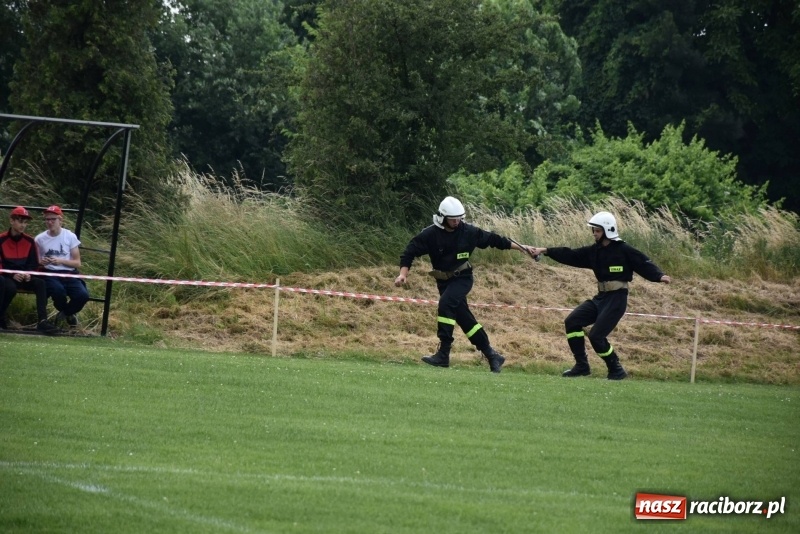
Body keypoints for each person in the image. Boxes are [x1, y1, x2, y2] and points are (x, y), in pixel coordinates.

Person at [394, 196, 535, 373]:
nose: (457, 221)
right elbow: (409, 252)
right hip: (443, 282)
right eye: (453, 219)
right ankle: (492, 355)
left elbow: (496, 240)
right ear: (442, 217)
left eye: (459, 217)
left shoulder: (468, 232)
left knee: (445, 304)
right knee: (466, 321)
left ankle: (443, 354)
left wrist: (524, 248)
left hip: (462, 278)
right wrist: (402, 274)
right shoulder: (430, 234)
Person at [529, 211, 671, 380]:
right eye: (594, 230)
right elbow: (570, 254)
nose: (594, 233)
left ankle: (616, 369)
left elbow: (643, 263)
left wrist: (659, 276)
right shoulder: (593, 251)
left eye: (597, 230)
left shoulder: (624, 250)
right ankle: (582, 366)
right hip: (601, 298)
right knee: (572, 322)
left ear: (607, 230)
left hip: (617, 299)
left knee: (596, 336)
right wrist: (544, 250)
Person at [0, 207, 60, 333]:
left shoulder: (30, 241)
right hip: (7, 276)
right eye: (20, 221)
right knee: (9, 287)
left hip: (24, 276)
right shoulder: (1, 239)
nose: (23, 225)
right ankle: (1, 316)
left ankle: (43, 321)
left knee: (41, 283)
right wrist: (11, 275)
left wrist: (28, 274)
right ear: (11, 221)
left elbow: (33, 264)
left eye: (25, 222)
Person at [34, 205, 90, 327]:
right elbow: (34, 260)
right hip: (50, 274)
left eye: (53, 219)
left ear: (60, 220)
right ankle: (66, 314)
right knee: (58, 292)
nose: (50, 222)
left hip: (69, 273)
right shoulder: (39, 239)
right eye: (47, 219)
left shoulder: (70, 236)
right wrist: (41, 262)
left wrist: (61, 261)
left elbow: (77, 262)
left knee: (83, 295)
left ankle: (66, 313)